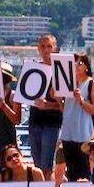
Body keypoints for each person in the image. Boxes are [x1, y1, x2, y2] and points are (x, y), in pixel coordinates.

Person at [58, 53, 94, 183]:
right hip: (68, 133)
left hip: (83, 133)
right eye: (74, 63)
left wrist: (81, 100)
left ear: (86, 66)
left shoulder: (92, 84)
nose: (77, 66)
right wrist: (58, 99)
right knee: (71, 171)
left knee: (84, 171)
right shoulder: (67, 84)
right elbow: (66, 109)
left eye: (80, 63)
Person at [26, 33, 64, 175]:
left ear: (55, 48)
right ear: (38, 48)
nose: (46, 50)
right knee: (37, 165)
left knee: (46, 166)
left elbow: (66, 105)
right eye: (43, 46)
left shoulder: (61, 72)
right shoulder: (33, 69)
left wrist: (48, 104)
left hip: (52, 124)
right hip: (34, 122)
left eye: (49, 46)